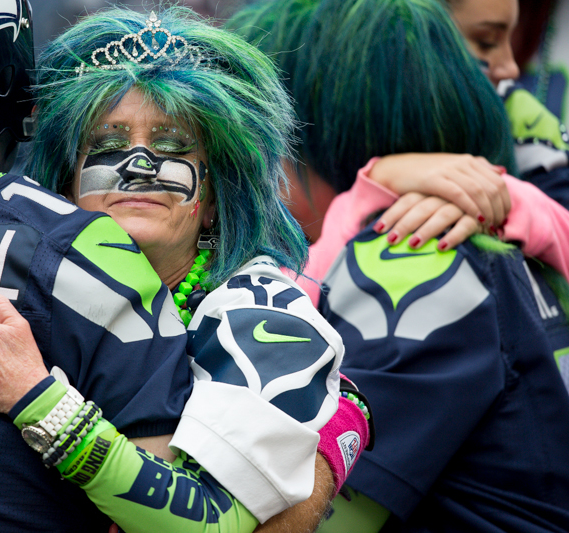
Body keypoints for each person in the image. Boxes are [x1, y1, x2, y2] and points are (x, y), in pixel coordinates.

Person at [0, 3, 370, 532]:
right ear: (60, 178)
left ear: (217, 192)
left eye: (171, 145)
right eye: (107, 145)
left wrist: (33, 397)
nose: (138, 165)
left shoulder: (259, 313)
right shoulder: (34, 264)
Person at [232, 0, 569, 530]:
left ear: (321, 128)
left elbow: (312, 520)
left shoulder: (409, 255)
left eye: (257, 136)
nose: (244, 169)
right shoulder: (468, 240)